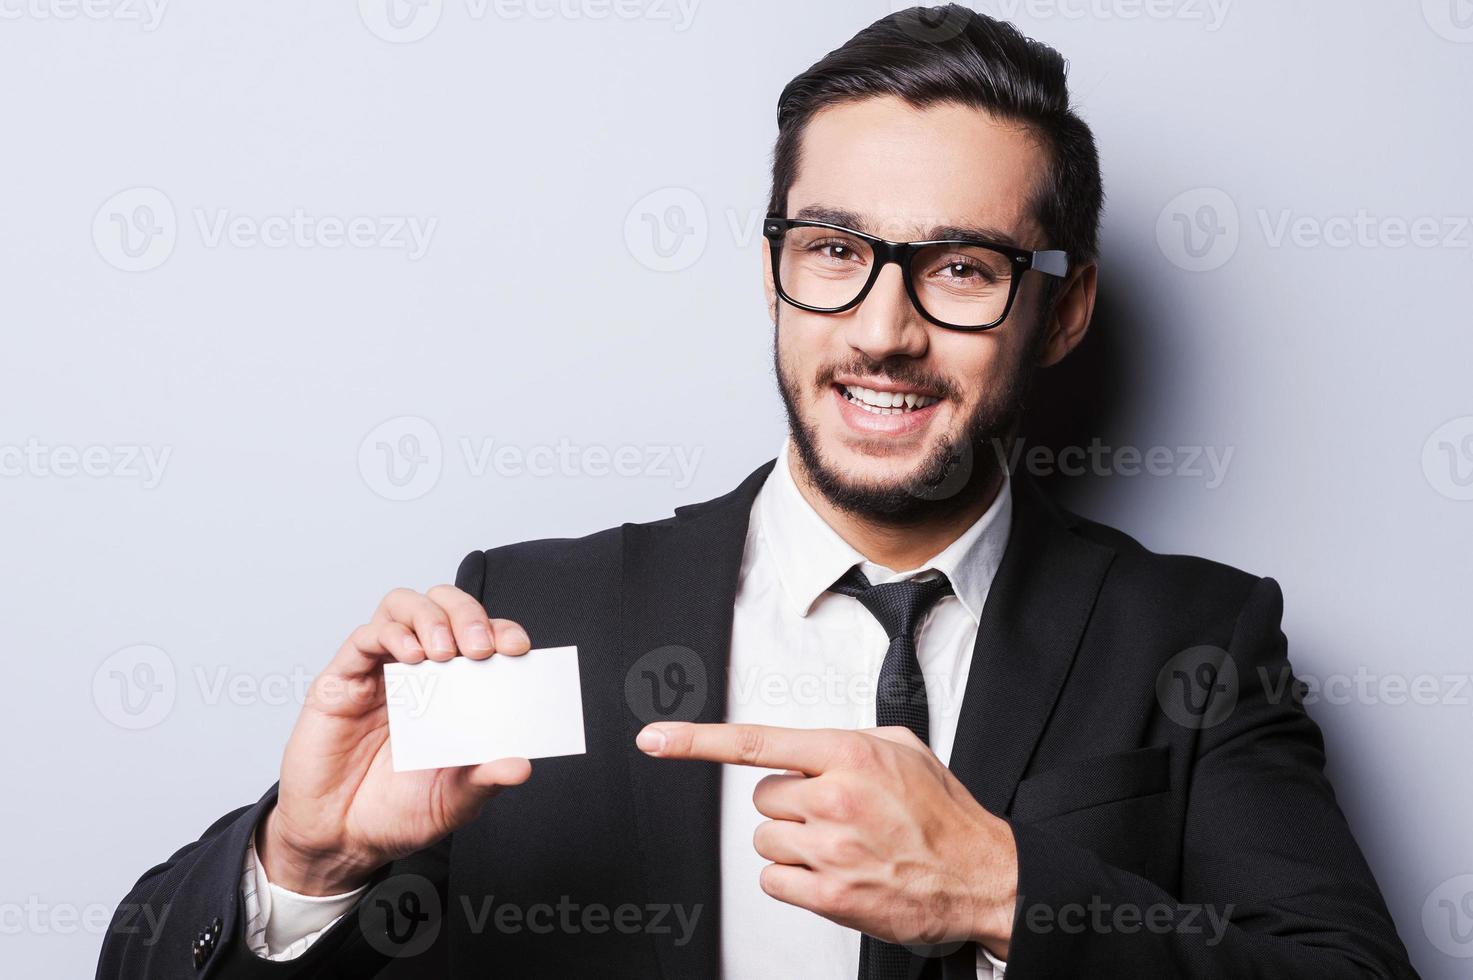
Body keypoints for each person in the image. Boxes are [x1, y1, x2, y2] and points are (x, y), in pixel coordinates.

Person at [97, 6, 1418, 978]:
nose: (882, 330)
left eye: (959, 268)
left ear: (1060, 311)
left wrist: (1006, 891)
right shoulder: (532, 612)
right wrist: (308, 868)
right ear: (773, 266)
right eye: (834, 249)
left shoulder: (1195, 638)